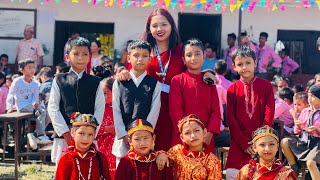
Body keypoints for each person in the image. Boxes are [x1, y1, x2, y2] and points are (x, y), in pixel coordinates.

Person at [117, 8, 217, 151]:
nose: (159, 29)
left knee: (171, 152)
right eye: (155, 26)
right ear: (149, 28)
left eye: (164, 24)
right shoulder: (144, 51)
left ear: (171, 26)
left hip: (174, 108)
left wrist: (206, 72)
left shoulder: (180, 50)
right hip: (148, 107)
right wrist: (122, 71)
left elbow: (192, 70)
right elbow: (130, 68)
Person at [48, 37, 105, 164]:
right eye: (76, 54)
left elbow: (100, 108)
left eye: (84, 54)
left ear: (89, 56)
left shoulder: (95, 82)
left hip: (88, 137)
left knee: (88, 170)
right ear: (67, 57)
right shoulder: (59, 80)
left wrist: (91, 132)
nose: (80, 57)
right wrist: (66, 134)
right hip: (64, 137)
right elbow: (53, 108)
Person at [225, 45, 275, 179]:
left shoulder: (266, 86)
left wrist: (260, 138)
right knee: (233, 174)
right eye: (240, 64)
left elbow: (269, 112)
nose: (244, 67)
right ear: (234, 67)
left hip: (261, 140)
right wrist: (242, 142)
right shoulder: (232, 89)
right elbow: (230, 118)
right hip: (238, 140)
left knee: (261, 174)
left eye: (248, 63)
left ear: (255, 63)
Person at [112, 40, 161, 166]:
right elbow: (116, 110)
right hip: (124, 139)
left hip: (144, 139)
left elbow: (154, 111)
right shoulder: (119, 82)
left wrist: (145, 134)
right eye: (136, 55)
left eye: (144, 56)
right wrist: (123, 135)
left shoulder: (154, 84)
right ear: (128, 58)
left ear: (150, 59)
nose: (140, 59)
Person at [169, 38, 221, 150]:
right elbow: (176, 112)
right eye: (189, 55)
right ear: (183, 59)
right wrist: (187, 135)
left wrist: (209, 134)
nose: (193, 58)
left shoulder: (208, 81)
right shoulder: (177, 81)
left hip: (206, 139)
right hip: (183, 139)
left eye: (197, 54)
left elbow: (216, 111)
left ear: (204, 56)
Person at [156, 114, 222, 180]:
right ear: (182, 137)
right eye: (187, 133)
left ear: (204, 132)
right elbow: (163, 156)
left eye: (196, 130)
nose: (193, 135)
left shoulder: (212, 161)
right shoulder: (176, 151)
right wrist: (162, 154)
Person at [6, 59, 51, 148]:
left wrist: (35, 103)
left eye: (33, 68)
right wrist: (9, 107)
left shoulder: (35, 83)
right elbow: (10, 94)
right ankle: (40, 135)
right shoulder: (17, 81)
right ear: (22, 70)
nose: (32, 70)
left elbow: (35, 97)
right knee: (42, 111)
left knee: (48, 114)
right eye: (29, 67)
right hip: (22, 106)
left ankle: (34, 134)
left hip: (32, 107)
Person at [55, 112, 111, 180]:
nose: (85, 139)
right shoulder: (66, 160)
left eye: (90, 135)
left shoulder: (100, 158)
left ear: (94, 135)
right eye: (81, 133)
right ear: (72, 132)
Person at [281, 84, 320, 180]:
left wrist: (316, 129)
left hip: (317, 143)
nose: (310, 99)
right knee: (284, 142)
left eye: (313, 96)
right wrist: (298, 124)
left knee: (310, 163)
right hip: (305, 140)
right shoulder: (305, 111)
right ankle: (295, 168)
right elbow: (297, 131)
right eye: (309, 95)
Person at [97, 77, 116, 178]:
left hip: (117, 147)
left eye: (105, 93)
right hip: (101, 147)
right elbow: (93, 127)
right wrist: (108, 129)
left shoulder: (121, 108)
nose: (102, 97)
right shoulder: (99, 109)